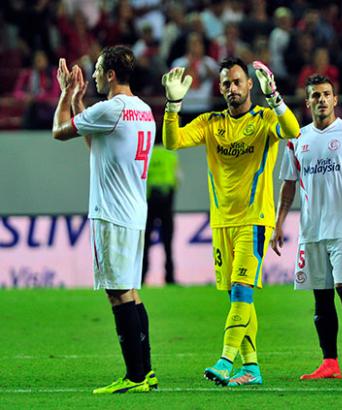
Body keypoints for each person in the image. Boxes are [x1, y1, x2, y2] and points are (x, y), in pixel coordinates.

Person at [161, 57, 300, 387]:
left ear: (250, 85)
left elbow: (293, 130)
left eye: (238, 81)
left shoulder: (266, 119)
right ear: (220, 88)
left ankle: (225, 360)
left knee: (241, 292)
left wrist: (276, 97)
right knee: (238, 299)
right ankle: (251, 367)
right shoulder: (211, 123)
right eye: (226, 83)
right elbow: (171, 142)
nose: (232, 88)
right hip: (222, 222)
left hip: (254, 220)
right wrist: (172, 105)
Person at [51, 45, 157, 394]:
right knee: (131, 290)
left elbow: (59, 130)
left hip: (111, 213)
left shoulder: (110, 109)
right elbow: (96, 143)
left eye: (97, 69)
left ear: (110, 74)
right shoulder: (143, 110)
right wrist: (82, 102)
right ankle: (147, 371)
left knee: (117, 292)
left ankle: (135, 376)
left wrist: (67, 94)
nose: (93, 74)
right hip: (135, 213)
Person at [271, 74, 342, 380]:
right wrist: (278, 223)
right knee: (320, 298)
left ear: (335, 99)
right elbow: (288, 184)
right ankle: (330, 362)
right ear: (307, 103)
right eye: (315, 96)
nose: (321, 99)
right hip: (311, 231)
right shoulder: (296, 138)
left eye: (326, 94)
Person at [142, 135, 179, 285]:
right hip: (166, 201)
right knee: (168, 244)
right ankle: (169, 278)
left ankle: (142, 277)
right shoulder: (171, 154)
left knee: (144, 245)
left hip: (149, 202)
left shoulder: (146, 154)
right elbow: (177, 178)